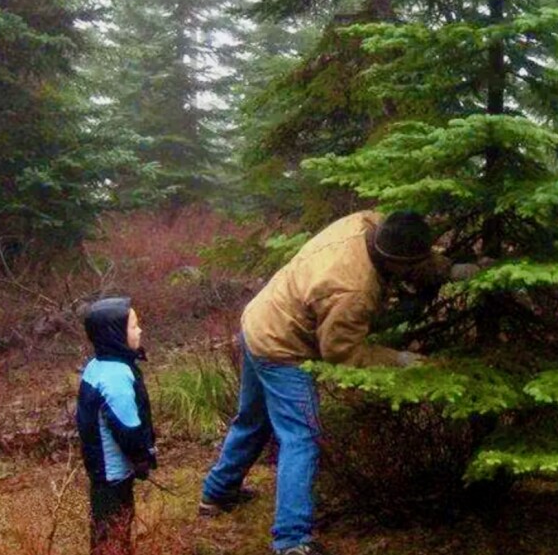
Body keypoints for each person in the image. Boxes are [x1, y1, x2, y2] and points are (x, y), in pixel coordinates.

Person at [199, 210, 470, 555]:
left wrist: (448, 269)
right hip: (281, 347)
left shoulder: (368, 223)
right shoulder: (353, 290)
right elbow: (343, 353)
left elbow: (409, 247)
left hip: (259, 318)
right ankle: (291, 539)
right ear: (396, 262)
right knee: (302, 437)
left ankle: (217, 494)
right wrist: (400, 359)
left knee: (254, 419)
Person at [76, 297, 157, 555]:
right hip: (113, 472)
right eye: (133, 326)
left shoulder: (97, 365)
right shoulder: (116, 378)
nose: (140, 331)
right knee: (113, 533)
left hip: (100, 469)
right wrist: (142, 458)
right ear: (115, 334)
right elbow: (128, 429)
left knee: (106, 530)